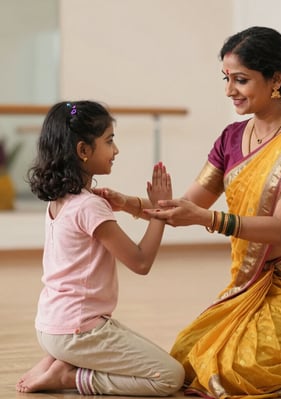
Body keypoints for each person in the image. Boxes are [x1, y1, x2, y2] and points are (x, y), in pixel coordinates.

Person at [95, 26, 281, 397]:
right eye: (226, 79)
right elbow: (189, 203)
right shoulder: (230, 139)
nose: (229, 91)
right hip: (255, 283)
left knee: (235, 369)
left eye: (241, 80)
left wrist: (207, 219)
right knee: (189, 358)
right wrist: (128, 203)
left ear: (276, 79)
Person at [15, 100, 185, 396]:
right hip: (77, 333)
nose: (115, 150)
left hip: (51, 327)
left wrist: (137, 205)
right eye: (109, 141)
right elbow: (141, 262)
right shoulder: (90, 205)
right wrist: (159, 209)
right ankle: (68, 377)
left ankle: (59, 361)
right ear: (83, 150)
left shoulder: (63, 200)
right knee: (170, 376)